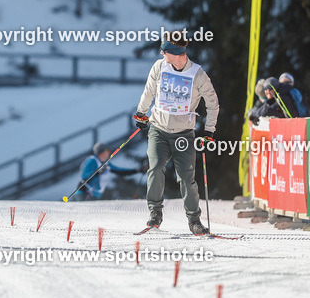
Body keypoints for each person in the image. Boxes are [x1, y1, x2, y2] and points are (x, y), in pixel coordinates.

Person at [133, 31, 219, 235]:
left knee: (186, 178)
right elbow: (149, 91)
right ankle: (155, 213)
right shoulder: (159, 66)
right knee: (154, 168)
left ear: (175, 52)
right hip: (159, 130)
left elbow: (213, 104)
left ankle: (194, 220)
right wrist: (141, 113)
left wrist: (209, 132)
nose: (162, 55)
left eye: (165, 51)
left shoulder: (197, 74)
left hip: (183, 134)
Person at [76, 142, 144, 200]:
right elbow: (85, 175)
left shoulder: (106, 163)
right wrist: (98, 172)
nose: (109, 152)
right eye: (107, 150)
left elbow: (120, 171)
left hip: (95, 196)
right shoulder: (92, 160)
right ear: (101, 152)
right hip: (84, 194)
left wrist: (137, 170)